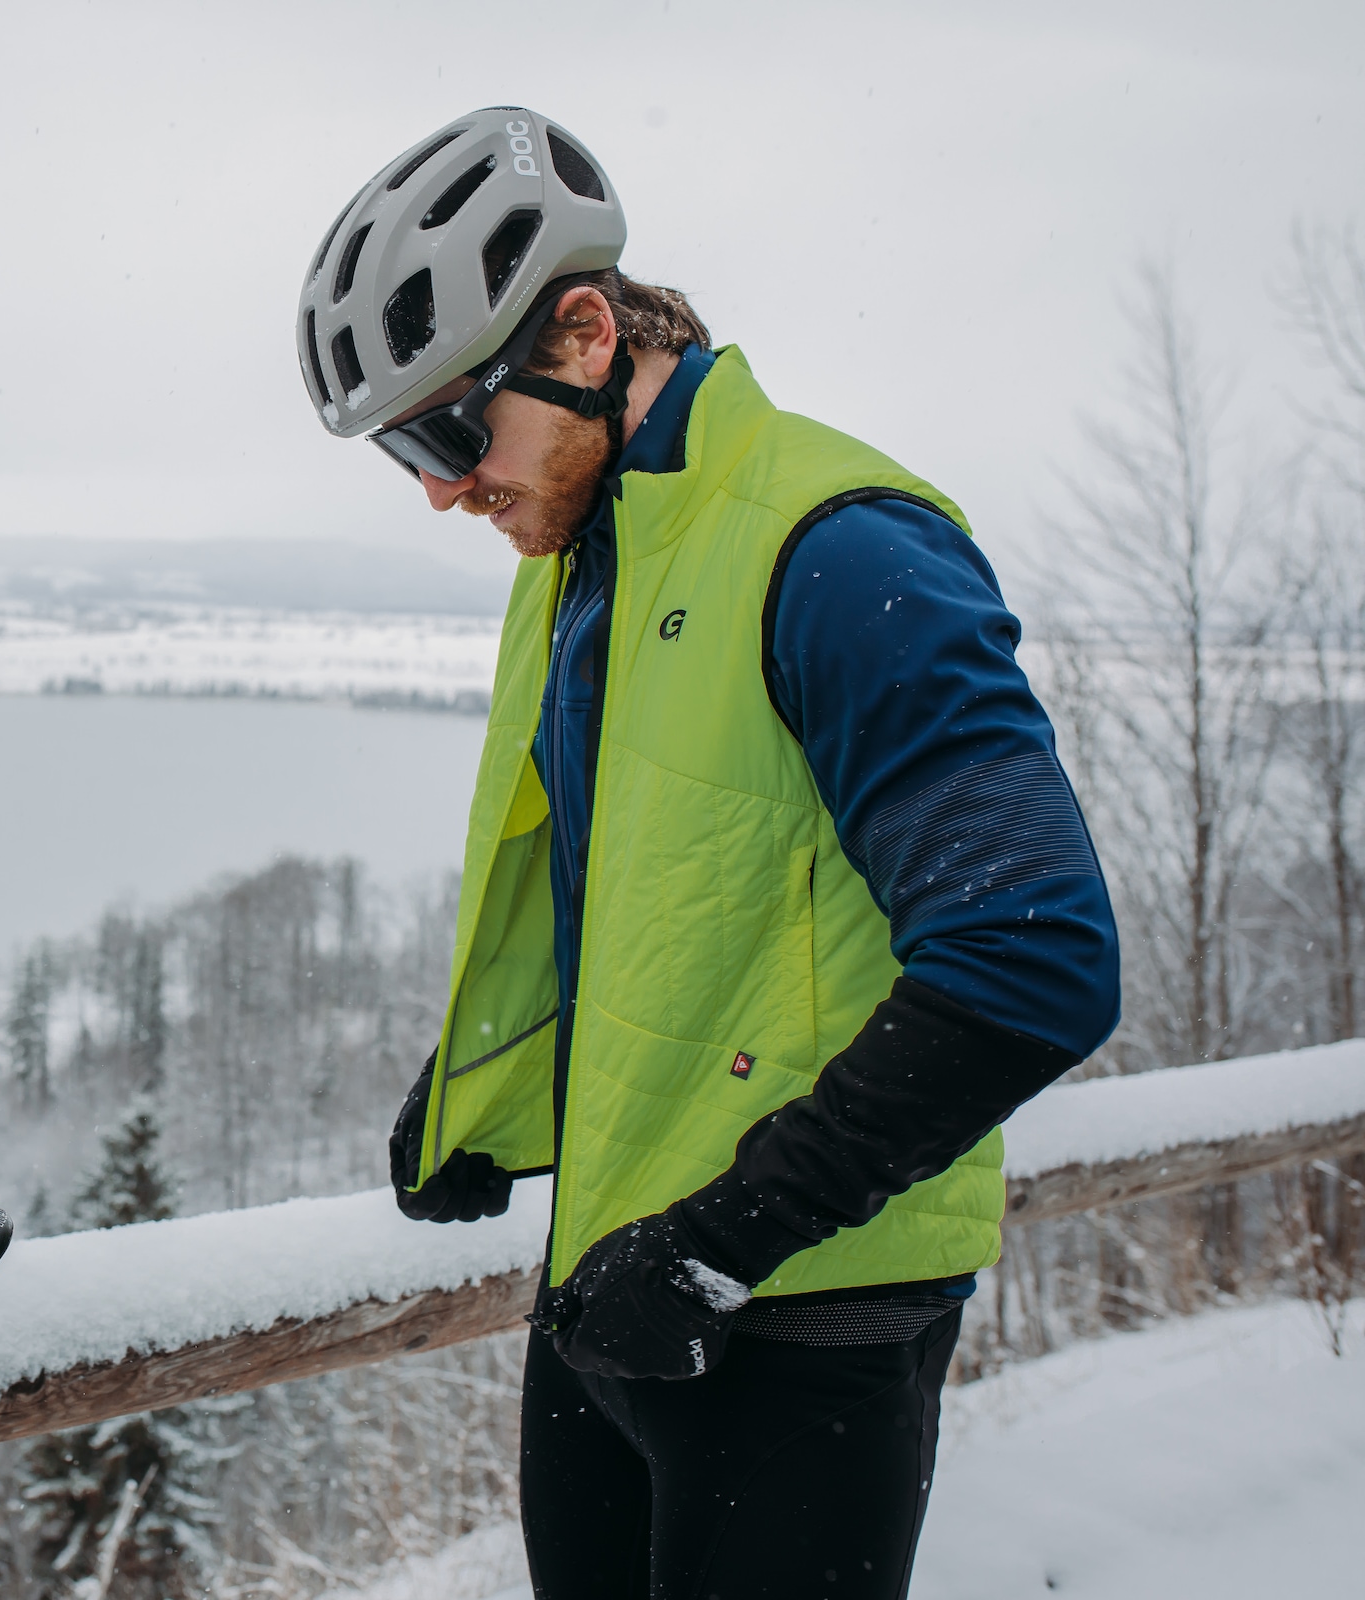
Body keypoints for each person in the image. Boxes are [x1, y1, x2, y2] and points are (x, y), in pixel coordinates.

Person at [297, 108, 1119, 1599]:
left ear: (590, 332)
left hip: (801, 1319)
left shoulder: (840, 550)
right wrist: (487, 1091)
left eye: (442, 431)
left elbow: (1036, 956)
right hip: (611, 1290)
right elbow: (663, 896)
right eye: (401, 453)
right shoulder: (583, 561)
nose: (435, 488)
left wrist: (724, 1241)